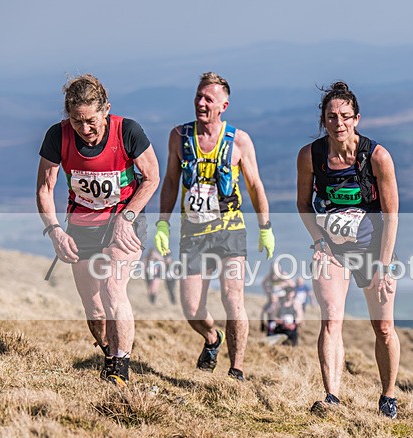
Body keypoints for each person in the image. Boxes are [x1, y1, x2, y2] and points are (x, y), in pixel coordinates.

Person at [36, 74, 160, 387]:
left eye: (91, 121)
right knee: (93, 306)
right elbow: (44, 188)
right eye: (77, 122)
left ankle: (121, 366)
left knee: (112, 289)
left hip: (124, 223)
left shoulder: (127, 131)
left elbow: (152, 177)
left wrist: (127, 215)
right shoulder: (58, 136)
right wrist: (55, 232)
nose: (86, 129)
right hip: (81, 225)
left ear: (105, 110)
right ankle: (109, 353)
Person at [155, 72, 274, 382]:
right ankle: (212, 339)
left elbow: (255, 184)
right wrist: (163, 225)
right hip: (193, 234)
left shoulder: (239, 140)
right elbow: (170, 181)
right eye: (198, 96)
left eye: (208, 99)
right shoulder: (179, 136)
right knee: (192, 308)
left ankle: (237, 370)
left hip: (230, 231)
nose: (201, 103)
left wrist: (265, 227)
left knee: (233, 300)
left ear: (224, 105)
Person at [297, 81, 401, 418]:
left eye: (344, 116)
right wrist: (319, 240)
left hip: (374, 248)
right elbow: (303, 205)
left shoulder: (377, 157)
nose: (338, 123)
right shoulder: (310, 156)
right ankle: (332, 397)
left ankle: (388, 396)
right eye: (331, 116)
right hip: (333, 250)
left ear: (356, 118)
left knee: (383, 327)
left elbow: (391, 213)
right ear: (323, 120)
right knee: (331, 320)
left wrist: (384, 264)